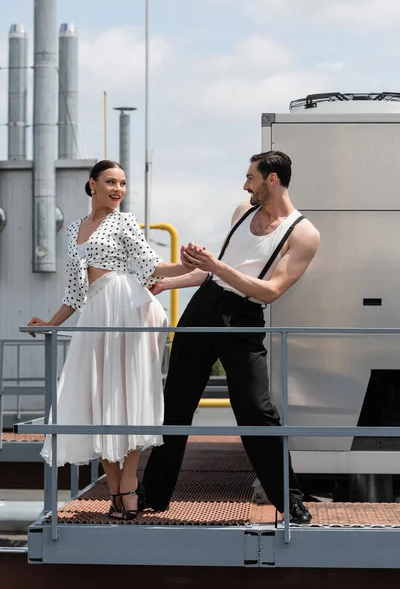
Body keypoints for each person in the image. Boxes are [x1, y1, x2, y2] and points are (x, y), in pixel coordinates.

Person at [143, 150, 320, 524]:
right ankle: (152, 495)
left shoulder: (304, 233)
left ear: (272, 179)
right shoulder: (243, 212)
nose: (245, 185)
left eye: (251, 177)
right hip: (204, 307)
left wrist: (216, 266)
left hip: (243, 315)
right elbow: (216, 274)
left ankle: (289, 500)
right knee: (175, 403)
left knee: (257, 410)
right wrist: (170, 282)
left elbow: (270, 291)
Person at [27, 159, 192, 521]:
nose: (118, 189)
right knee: (97, 399)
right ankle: (116, 489)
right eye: (111, 182)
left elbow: (151, 266)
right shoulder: (73, 230)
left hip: (127, 307)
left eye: (123, 183)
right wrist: (52, 324)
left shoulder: (125, 221)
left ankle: (127, 490)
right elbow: (74, 292)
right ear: (92, 185)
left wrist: (187, 265)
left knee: (126, 397)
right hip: (96, 313)